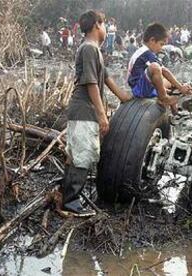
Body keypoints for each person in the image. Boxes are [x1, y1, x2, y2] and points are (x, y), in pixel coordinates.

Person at [63, 10, 132, 217]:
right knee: (82, 155)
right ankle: (70, 202)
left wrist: (124, 97)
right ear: (96, 25)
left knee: (76, 154)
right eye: (104, 25)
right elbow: (92, 83)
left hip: (84, 111)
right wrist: (102, 115)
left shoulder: (95, 50)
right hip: (84, 109)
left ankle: (65, 195)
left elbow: (106, 77)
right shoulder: (88, 49)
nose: (107, 29)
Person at [127, 23, 191, 111]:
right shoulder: (146, 52)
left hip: (142, 84)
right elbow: (164, 71)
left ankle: (174, 108)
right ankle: (164, 98)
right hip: (139, 89)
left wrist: (176, 85)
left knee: (169, 82)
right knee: (155, 68)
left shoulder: (145, 51)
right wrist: (180, 87)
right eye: (161, 44)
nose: (161, 48)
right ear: (152, 40)